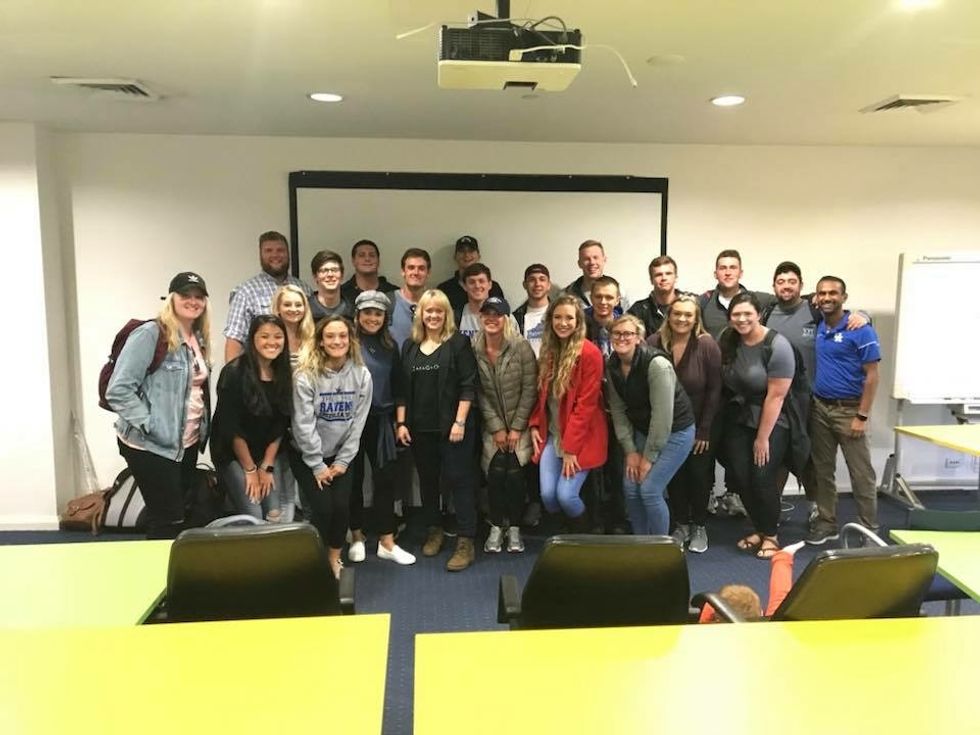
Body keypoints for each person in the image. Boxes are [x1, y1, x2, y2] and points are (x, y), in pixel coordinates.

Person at [107, 272, 212, 539]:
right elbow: (118, 389)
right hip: (150, 445)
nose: (193, 301)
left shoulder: (197, 337)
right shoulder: (150, 334)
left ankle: (167, 563)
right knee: (168, 520)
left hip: (185, 444)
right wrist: (150, 424)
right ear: (171, 298)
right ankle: (157, 566)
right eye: (186, 295)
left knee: (176, 516)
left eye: (199, 296)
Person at [395, 289, 480, 572]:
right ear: (420, 314)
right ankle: (435, 530)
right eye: (428, 310)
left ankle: (466, 540)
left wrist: (460, 422)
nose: (433, 315)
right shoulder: (410, 346)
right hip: (420, 429)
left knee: (459, 480)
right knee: (428, 481)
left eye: (438, 311)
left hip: (453, 428)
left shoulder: (458, 343)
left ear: (447, 314)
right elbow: (402, 389)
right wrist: (401, 423)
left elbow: (468, 385)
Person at [291, 315, 372, 579]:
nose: (337, 341)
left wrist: (343, 461)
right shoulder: (305, 376)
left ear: (350, 340)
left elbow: (358, 423)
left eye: (342, 336)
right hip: (307, 454)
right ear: (321, 342)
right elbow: (303, 424)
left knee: (341, 508)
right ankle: (313, 558)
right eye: (330, 336)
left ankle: (333, 558)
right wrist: (317, 465)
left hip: (341, 454)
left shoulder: (361, 375)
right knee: (323, 509)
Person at [806, 276, 882, 544]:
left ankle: (869, 529)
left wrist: (862, 416)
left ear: (844, 297)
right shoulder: (819, 324)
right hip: (820, 408)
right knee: (822, 471)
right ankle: (827, 523)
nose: (827, 298)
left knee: (861, 474)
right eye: (822, 293)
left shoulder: (860, 329)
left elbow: (872, 376)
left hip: (850, 411)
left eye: (833, 293)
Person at [719, 292, 795, 559]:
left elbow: (776, 397)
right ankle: (759, 528)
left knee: (761, 477)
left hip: (772, 419)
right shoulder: (728, 339)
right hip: (739, 417)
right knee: (740, 476)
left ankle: (771, 535)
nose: (741, 319)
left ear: (759, 314)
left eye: (747, 314)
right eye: (736, 314)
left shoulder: (777, 345)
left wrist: (762, 439)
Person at [605, 315, 696, 536]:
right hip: (644, 430)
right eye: (617, 333)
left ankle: (659, 547)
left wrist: (648, 458)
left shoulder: (657, 365)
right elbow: (618, 410)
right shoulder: (612, 365)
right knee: (630, 488)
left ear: (639, 338)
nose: (622, 338)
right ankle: (640, 543)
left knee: (649, 490)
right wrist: (630, 451)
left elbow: (662, 417)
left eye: (628, 333)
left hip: (676, 431)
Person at [648, 294, 722, 552]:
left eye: (688, 315)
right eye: (677, 313)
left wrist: (705, 430)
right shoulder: (654, 342)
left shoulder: (706, 345)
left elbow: (715, 389)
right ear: (669, 316)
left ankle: (699, 525)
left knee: (699, 476)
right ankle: (681, 524)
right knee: (675, 476)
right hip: (667, 426)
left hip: (701, 425)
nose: (682, 319)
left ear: (696, 318)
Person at [348, 291, 416, 565]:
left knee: (385, 480)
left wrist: (401, 423)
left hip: (383, 420)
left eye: (378, 314)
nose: (372, 318)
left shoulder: (390, 347)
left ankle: (386, 541)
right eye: (367, 313)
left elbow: (400, 388)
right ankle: (356, 536)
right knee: (352, 480)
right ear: (358, 315)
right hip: (351, 422)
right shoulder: (347, 343)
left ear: (385, 318)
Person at [528, 295, 607, 528]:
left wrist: (571, 449)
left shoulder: (590, 353)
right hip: (554, 434)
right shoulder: (549, 350)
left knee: (566, 496)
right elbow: (542, 396)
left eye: (569, 318)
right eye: (557, 317)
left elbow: (585, 407)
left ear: (578, 321)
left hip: (582, 438)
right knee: (547, 496)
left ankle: (584, 533)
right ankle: (562, 533)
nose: (563, 323)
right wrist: (534, 424)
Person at [210, 315, 294, 523]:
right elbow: (232, 428)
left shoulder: (283, 372)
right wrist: (250, 470)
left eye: (278, 336)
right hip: (232, 452)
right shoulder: (233, 373)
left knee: (274, 513)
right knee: (253, 513)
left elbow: (281, 423)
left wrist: (266, 466)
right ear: (252, 338)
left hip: (265, 451)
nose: (272, 342)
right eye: (264, 336)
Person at [472, 297, 537, 553]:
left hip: (521, 424)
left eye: (497, 314)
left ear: (506, 318)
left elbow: (530, 388)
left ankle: (516, 528)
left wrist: (517, 428)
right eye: (487, 314)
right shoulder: (473, 347)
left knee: (515, 473)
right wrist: (497, 428)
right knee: (496, 473)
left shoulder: (521, 347)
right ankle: (497, 526)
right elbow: (478, 391)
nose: (492, 318)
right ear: (480, 317)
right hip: (492, 426)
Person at [224, 231, 307, 362]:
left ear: (288, 253)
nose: (275, 255)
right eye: (268, 251)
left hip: (302, 366)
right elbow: (235, 339)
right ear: (260, 255)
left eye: (280, 250)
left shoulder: (303, 289)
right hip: (261, 369)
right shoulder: (246, 292)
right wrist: (231, 373)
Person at [698, 541, 806, 622]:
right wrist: (783, 556)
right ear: (760, 613)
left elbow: (708, 611)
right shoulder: (774, 630)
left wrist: (711, 607)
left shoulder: (703, 637)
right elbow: (781, 594)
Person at [698, 249, 775, 340]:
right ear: (715, 274)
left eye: (733, 268)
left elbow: (786, 301)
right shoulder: (703, 302)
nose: (728, 273)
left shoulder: (758, 300)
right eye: (723, 268)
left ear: (740, 273)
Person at [436, 235, 504, 311]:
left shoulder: (493, 288)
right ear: (455, 256)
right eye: (462, 251)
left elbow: (502, 314)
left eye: (471, 251)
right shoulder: (444, 289)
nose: (467, 255)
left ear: (478, 256)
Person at [629, 255, 688, 336]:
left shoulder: (691, 304)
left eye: (668, 273)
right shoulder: (638, 310)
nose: (664, 278)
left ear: (676, 277)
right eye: (658, 275)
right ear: (651, 280)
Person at [565, 239, 631, 310]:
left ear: (604, 260)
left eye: (595, 257)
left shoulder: (620, 292)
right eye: (586, 259)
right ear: (579, 263)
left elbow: (626, 316)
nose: (592, 262)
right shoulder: (567, 294)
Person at [390, 248, 431, 348]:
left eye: (421, 268)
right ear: (403, 271)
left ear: (428, 273)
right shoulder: (389, 302)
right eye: (411, 268)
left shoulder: (435, 303)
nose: (416, 272)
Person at [513, 263, 553, 358]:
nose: (537, 284)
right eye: (532, 280)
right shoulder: (515, 318)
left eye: (542, 279)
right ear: (525, 285)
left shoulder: (560, 313)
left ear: (549, 285)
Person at [272, 284, 315, 367]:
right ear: (278, 308)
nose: (293, 309)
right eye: (287, 305)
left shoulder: (312, 337)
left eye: (298, 305)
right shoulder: (270, 339)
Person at [309, 249, 354, 321]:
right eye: (324, 271)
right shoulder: (306, 310)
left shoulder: (353, 311)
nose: (330, 274)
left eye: (334, 270)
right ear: (315, 276)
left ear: (342, 275)